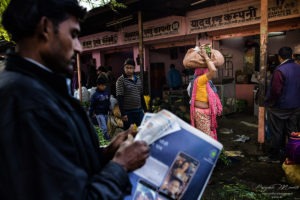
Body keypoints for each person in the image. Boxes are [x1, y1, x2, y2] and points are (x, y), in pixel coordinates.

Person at [0, 1, 150, 199]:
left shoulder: (41, 87)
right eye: (73, 34)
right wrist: (120, 166)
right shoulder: (29, 101)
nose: (79, 47)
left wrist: (105, 155)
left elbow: (63, 166)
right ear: (45, 28)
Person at [264, 46, 300, 163]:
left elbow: (275, 91)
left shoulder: (280, 70)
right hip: (295, 106)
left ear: (279, 57)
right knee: (292, 132)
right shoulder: (298, 68)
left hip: (280, 108)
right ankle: (291, 156)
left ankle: (274, 156)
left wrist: (270, 103)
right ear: (292, 56)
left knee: (276, 132)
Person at [189, 47, 223, 140]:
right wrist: (205, 56)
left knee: (209, 137)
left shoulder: (206, 82)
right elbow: (213, 70)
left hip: (207, 113)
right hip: (201, 114)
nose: (209, 72)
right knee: (207, 138)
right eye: (207, 70)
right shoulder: (200, 80)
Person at [116, 58, 147, 130]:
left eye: (131, 68)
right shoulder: (120, 80)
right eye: (127, 67)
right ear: (124, 68)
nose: (129, 70)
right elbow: (119, 97)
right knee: (129, 133)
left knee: (142, 131)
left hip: (139, 111)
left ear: (134, 68)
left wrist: (145, 110)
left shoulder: (138, 79)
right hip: (128, 112)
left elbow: (141, 95)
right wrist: (123, 114)